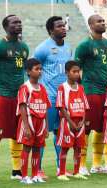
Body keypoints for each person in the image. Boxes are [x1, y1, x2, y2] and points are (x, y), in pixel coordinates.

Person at [0, 15, 29, 183]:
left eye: (19, 22)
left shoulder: (24, 47)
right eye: (14, 23)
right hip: (3, 96)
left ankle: (16, 170)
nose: (18, 24)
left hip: (19, 98)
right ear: (6, 27)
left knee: (17, 134)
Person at [75, 15, 107, 174]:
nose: (103, 23)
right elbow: (75, 70)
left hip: (104, 91)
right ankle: (82, 165)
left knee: (101, 129)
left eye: (103, 21)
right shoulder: (84, 45)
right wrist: (79, 91)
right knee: (86, 129)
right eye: (99, 21)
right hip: (90, 91)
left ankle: (97, 164)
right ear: (91, 25)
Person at [34, 16, 72, 179]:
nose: (63, 28)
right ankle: (38, 169)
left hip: (64, 99)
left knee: (60, 133)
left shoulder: (69, 48)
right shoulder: (42, 48)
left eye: (64, 25)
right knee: (42, 133)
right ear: (51, 30)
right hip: (48, 97)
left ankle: (60, 168)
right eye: (59, 26)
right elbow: (33, 70)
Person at [16, 59, 50, 184]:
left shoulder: (42, 88)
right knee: (26, 148)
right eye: (37, 69)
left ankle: (35, 174)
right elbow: (22, 108)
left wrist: (46, 126)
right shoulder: (25, 88)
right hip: (29, 121)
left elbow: (45, 107)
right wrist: (26, 127)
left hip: (41, 123)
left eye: (41, 69)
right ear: (28, 71)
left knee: (37, 149)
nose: (40, 71)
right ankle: (24, 176)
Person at [56, 61, 90, 181]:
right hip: (67, 122)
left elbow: (85, 106)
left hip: (80, 123)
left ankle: (76, 171)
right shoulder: (62, 87)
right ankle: (61, 173)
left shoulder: (81, 88)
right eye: (74, 71)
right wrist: (70, 122)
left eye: (78, 71)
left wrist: (83, 121)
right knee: (65, 147)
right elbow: (60, 106)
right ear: (67, 73)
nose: (76, 74)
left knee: (78, 148)